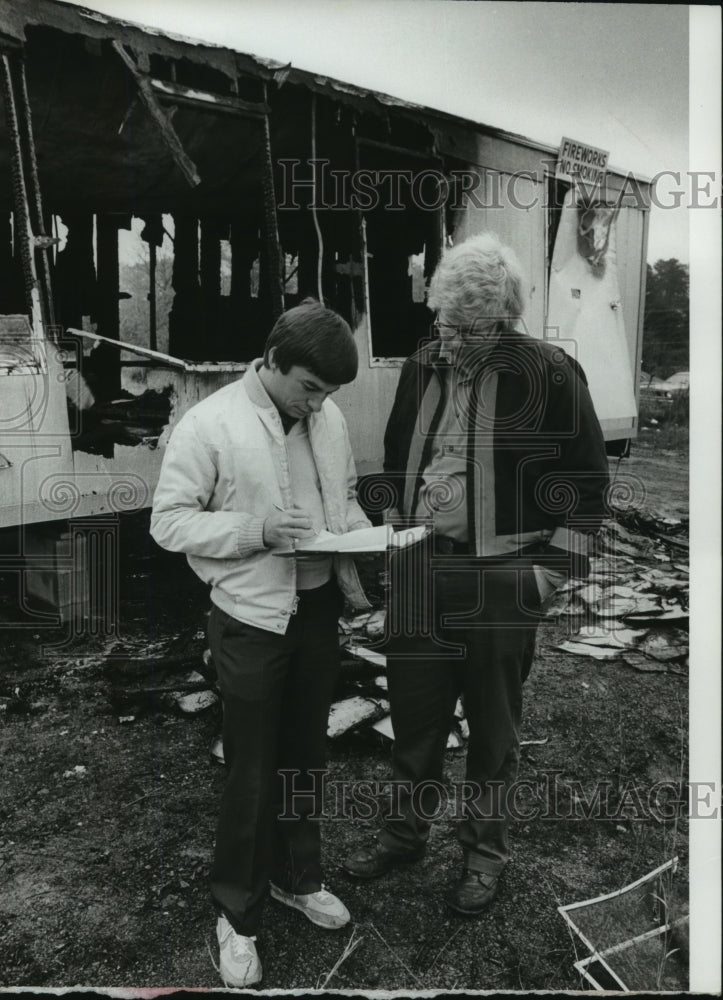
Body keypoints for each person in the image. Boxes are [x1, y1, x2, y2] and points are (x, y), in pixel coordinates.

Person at [343, 232, 610, 914]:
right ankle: (404, 836)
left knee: (493, 731)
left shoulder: (551, 374)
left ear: (503, 321)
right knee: (414, 720)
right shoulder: (421, 364)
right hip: (417, 570)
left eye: (468, 330)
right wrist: (393, 539)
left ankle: (483, 855)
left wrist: (544, 578)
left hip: (502, 579)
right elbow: (398, 455)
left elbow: (585, 488)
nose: (450, 340)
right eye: (443, 322)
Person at [150, 299, 371, 987]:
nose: (319, 404)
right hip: (249, 619)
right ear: (273, 361)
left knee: (306, 754)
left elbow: (343, 496)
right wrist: (255, 532)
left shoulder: (328, 418)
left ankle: (297, 878)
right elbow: (169, 522)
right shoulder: (208, 423)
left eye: (330, 393)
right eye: (310, 388)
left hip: (316, 613)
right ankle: (236, 914)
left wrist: (362, 536)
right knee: (251, 769)